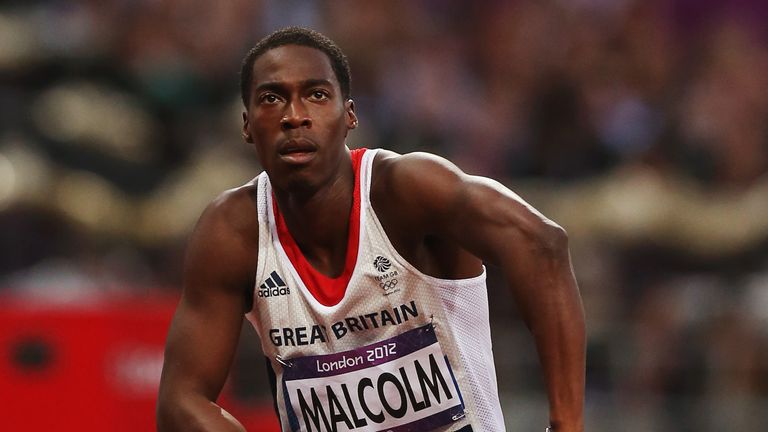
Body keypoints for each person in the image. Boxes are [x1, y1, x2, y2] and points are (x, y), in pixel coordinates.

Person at [157, 26, 585, 432]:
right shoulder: (233, 230)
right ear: (248, 125)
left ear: (350, 116)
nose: (295, 116)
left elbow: (542, 245)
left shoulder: (408, 190)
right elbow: (182, 401)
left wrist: (565, 424)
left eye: (316, 95)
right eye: (272, 99)